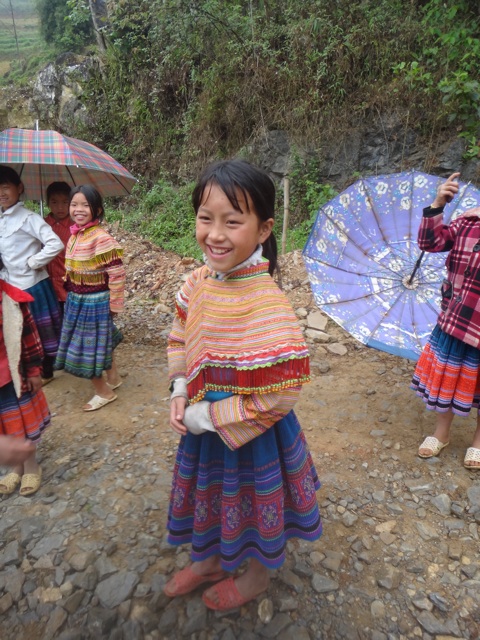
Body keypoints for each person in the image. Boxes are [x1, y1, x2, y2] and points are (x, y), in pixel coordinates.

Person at [164, 160, 322, 611]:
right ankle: (210, 559)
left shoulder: (268, 304)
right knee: (212, 495)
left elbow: (281, 393)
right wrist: (179, 387)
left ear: (264, 229)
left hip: (253, 434)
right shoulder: (196, 282)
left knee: (254, 502)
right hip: (201, 426)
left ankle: (256, 577)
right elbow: (179, 334)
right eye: (205, 218)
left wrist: (206, 416)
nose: (215, 234)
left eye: (232, 222)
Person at [412, 172, 480, 469]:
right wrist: (438, 204)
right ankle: (441, 433)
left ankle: (478, 443)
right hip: (457, 319)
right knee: (449, 379)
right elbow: (430, 242)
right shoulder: (468, 222)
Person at [54, 185, 125, 411]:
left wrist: (114, 303)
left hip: (95, 301)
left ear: (97, 209)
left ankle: (104, 392)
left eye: (85, 205)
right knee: (100, 339)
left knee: (85, 349)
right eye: (74, 204)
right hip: (78, 299)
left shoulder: (101, 238)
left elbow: (116, 273)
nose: (78, 209)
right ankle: (113, 377)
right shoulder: (76, 235)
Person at [0, 165, 63, 386]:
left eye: (6, 187)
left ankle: (45, 370)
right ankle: (25, 368)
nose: (1, 193)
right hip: (10, 286)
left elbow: (55, 243)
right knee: (19, 329)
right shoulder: (2, 218)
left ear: (19, 188)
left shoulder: (28, 218)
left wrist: (33, 262)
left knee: (39, 329)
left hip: (32, 285)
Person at [0, 278, 50, 496]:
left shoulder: (10, 299)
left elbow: (29, 337)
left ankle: (30, 465)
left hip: (13, 376)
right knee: (6, 428)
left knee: (21, 425)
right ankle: (16, 466)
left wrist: (33, 371)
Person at [44, 181, 72, 314]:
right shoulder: (41, 226)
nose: (60, 207)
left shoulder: (76, 227)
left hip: (70, 284)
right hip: (48, 284)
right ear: (48, 203)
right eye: (54, 202)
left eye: (65, 202)